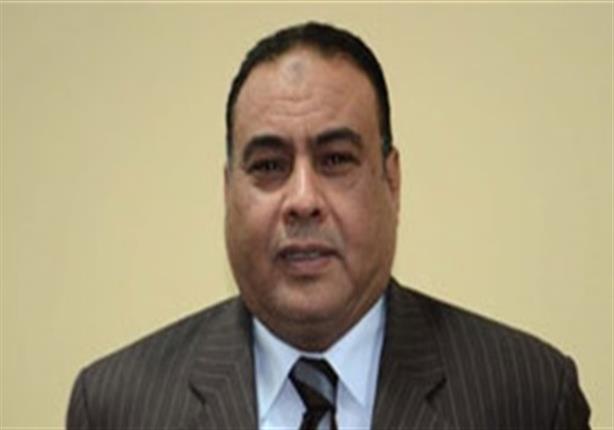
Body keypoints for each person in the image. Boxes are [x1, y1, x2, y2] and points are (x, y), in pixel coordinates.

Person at [67, 22, 590, 430]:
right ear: (228, 192)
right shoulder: (117, 407)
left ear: (391, 182)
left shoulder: (530, 396)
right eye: (269, 165)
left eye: (336, 159)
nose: (303, 200)